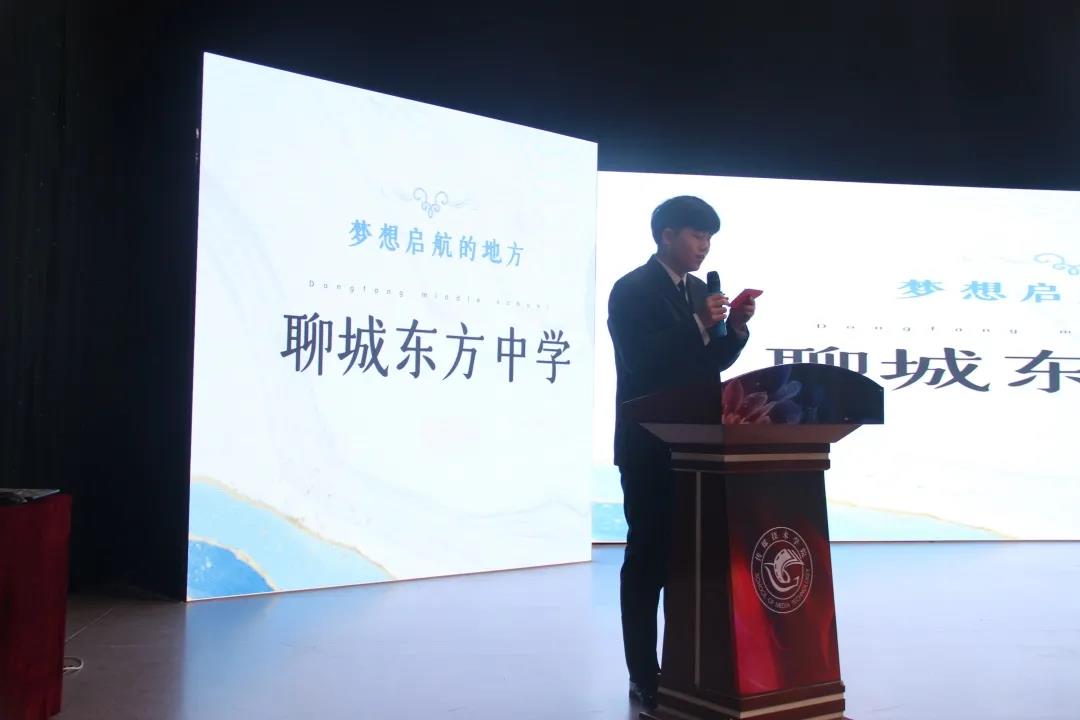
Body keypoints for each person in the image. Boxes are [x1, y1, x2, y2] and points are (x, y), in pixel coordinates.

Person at [606, 195, 756, 709]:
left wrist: (735, 328)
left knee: (689, 562)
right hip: (649, 446)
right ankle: (643, 673)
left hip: (699, 446)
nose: (704, 246)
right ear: (666, 234)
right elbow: (641, 360)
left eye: (709, 237)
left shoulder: (697, 291)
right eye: (696, 235)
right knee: (647, 560)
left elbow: (711, 361)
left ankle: (687, 666)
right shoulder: (631, 289)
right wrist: (695, 323)